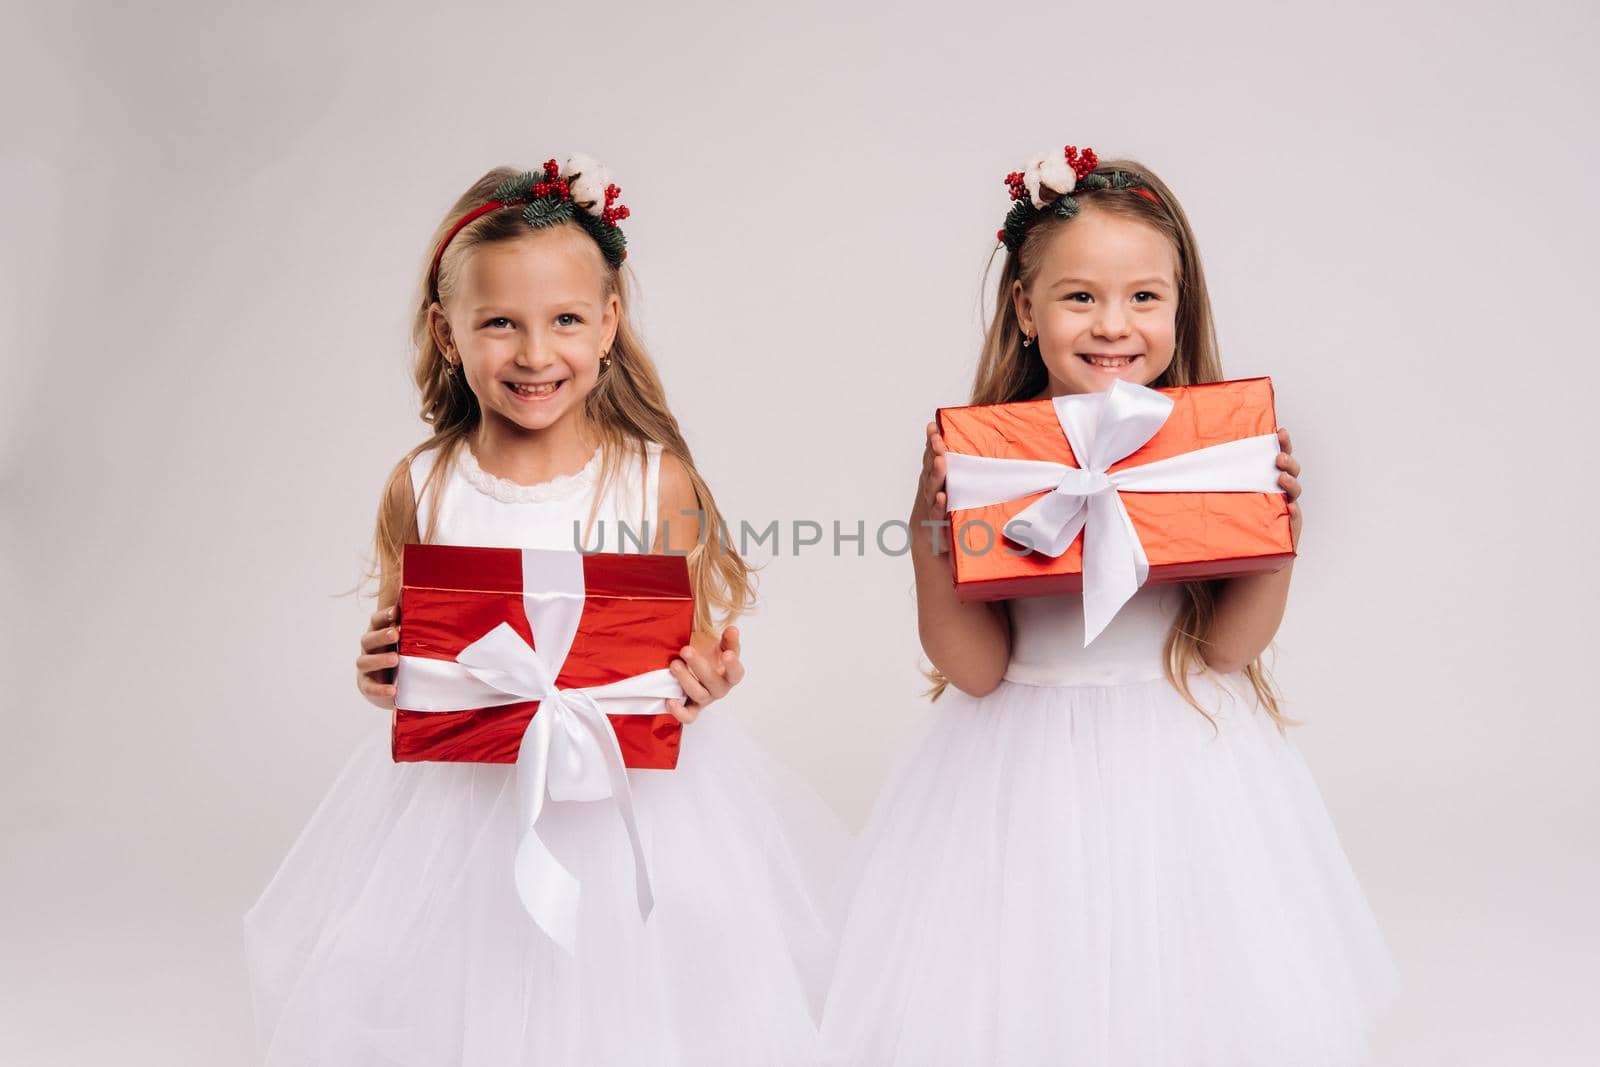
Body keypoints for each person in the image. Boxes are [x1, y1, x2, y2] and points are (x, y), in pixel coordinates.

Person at [245, 156, 839, 1066]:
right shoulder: (425, 484)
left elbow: (683, 649)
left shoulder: (652, 479)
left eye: (564, 319)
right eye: (500, 324)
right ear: (449, 335)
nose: (533, 353)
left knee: (633, 985)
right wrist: (382, 676)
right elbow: (419, 659)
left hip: (627, 799)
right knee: (468, 983)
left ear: (608, 324)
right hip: (463, 811)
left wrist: (705, 681)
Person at [821, 145, 1398, 1066]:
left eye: (1143, 297)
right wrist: (933, 529)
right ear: (1025, 307)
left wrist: (1278, 529)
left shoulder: (1204, 457)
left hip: (1186, 755)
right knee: (1030, 984)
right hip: (1022, 766)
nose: (1112, 325)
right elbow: (974, 667)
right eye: (1079, 295)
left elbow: (1225, 651)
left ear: (1180, 306)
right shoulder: (989, 464)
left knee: (1182, 981)